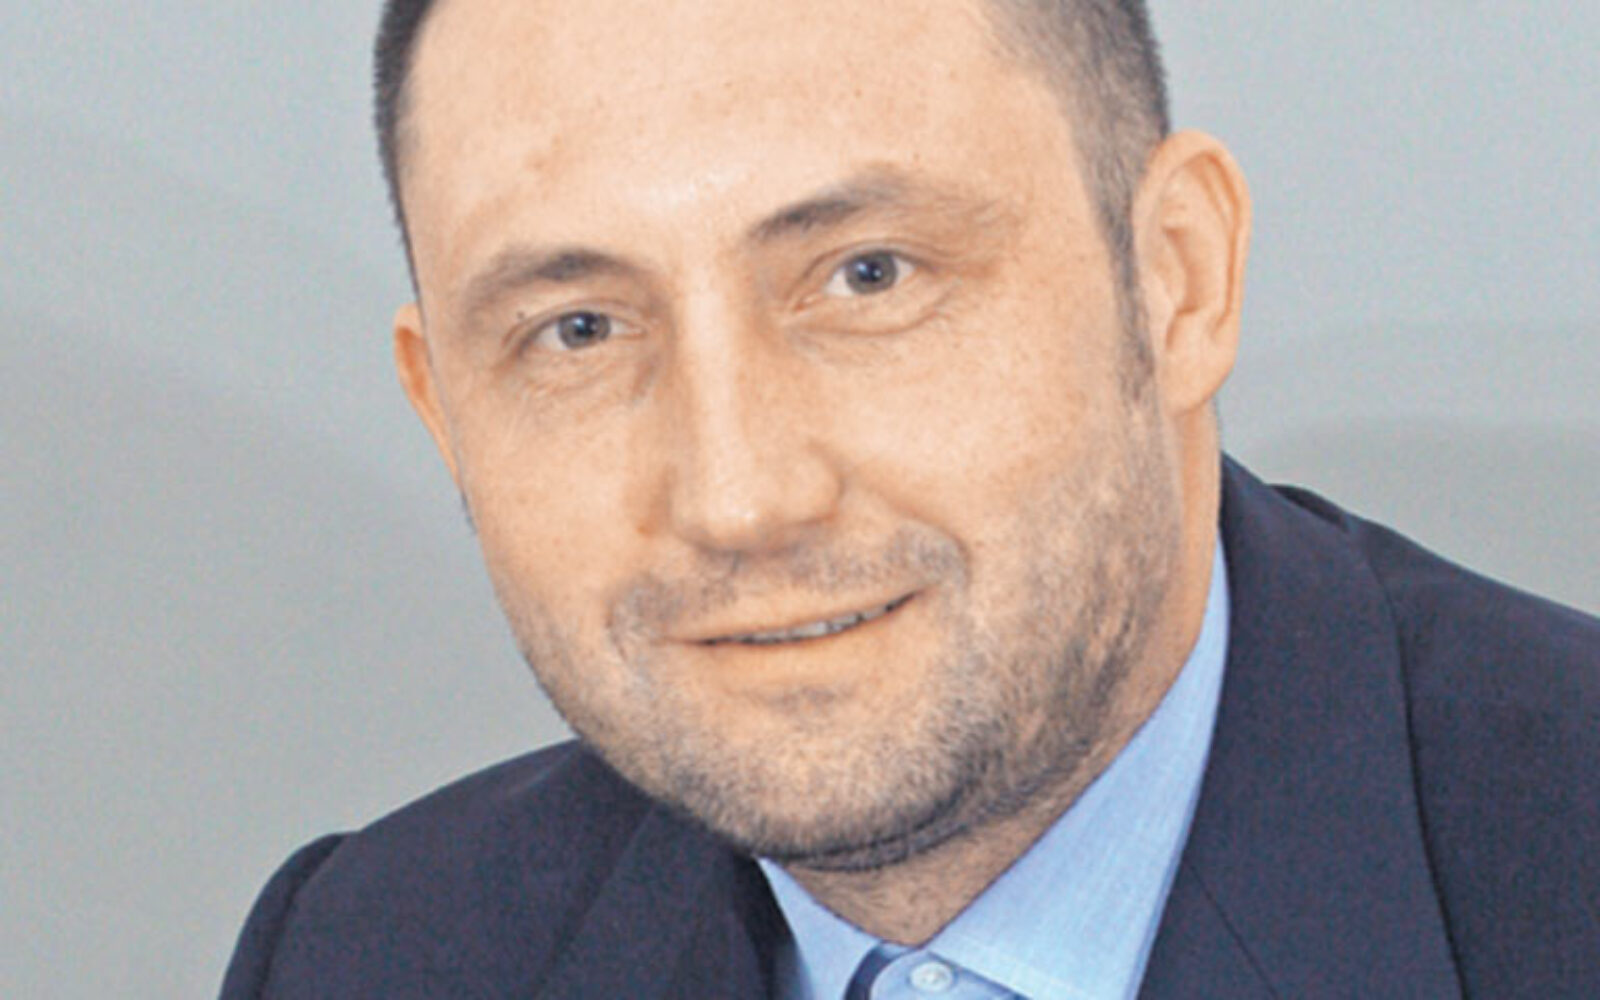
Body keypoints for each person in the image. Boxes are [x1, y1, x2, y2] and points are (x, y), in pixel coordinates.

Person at [221, 0, 1599, 996]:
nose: (740, 498)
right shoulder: (373, 954)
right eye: (579, 331)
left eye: (868, 275)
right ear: (445, 415)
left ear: (1177, 281)